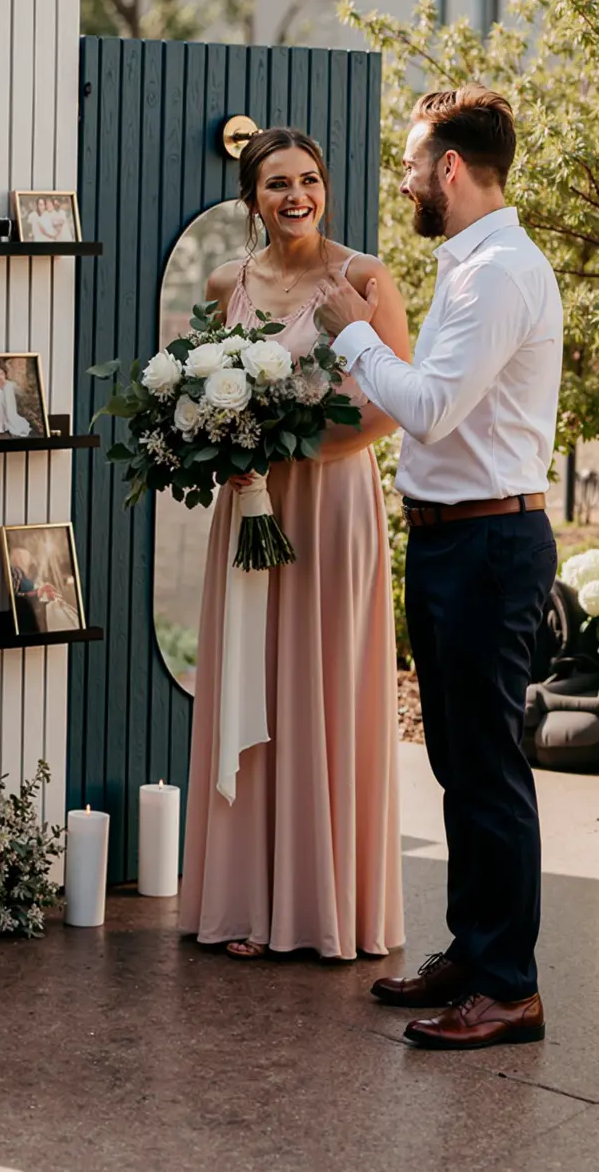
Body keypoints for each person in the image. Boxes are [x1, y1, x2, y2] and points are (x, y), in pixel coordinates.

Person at [313, 86, 562, 1051]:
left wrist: (351, 329)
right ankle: (473, 949)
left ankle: (510, 988)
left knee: (492, 770)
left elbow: (430, 407)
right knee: (460, 763)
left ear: (450, 168)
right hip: (452, 536)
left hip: (491, 545)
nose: (406, 179)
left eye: (414, 163)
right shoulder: (472, 267)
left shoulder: (499, 273)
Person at [178, 126, 410, 971]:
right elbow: (198, 390)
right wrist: (228, 445)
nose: (297, 196)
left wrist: (294, 449)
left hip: (331, 503)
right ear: (253, 199)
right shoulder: (223, 284)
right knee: (254, 679)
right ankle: (245, 896)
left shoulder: (366, 278)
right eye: (278, 183)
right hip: (249, 506)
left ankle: (323, 907)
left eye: (309, 179)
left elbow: (394, 402)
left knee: (323, 685)